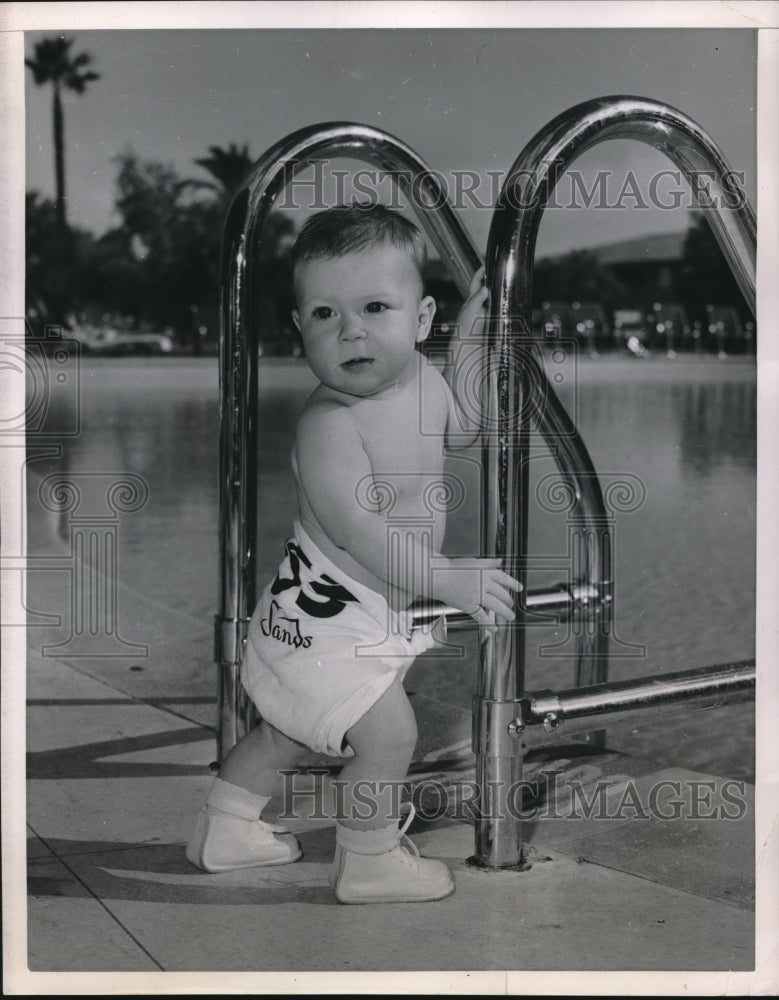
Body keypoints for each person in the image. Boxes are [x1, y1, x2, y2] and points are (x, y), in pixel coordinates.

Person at [186, 204, 522, 903]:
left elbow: (465, 433)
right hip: (327, 616)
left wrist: (470, 348)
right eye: (324, 314)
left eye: (374, 306)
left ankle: (225, 828)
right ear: (299, 327)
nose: (352, 331)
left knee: (285, 729)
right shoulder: (328, 423)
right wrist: (446, 577)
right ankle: (367, 860)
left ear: (421, 319)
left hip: (350, 613)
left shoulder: (422, 382)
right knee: (389, 737)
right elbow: (357, 531)